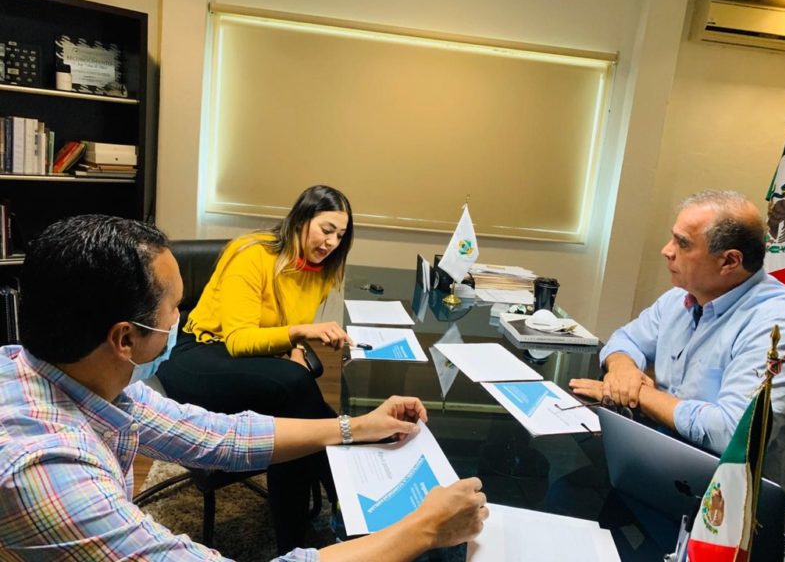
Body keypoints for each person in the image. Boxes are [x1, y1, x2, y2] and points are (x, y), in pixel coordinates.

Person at [0, 214, 488, 561]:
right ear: (125, 339)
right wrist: (425, 528)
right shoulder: (46, 472)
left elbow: (216, 435)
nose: (181, 318)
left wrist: (356, 426)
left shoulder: (81, 376)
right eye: (175, 308)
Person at [157, 185, 354, 550]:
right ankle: (344, 504)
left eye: (340, 235)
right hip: (197, 351)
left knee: (295, 411)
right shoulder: (251, 254)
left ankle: (299, 540)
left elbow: (287, 327)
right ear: (301, 219)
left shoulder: (320, 270)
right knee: (300, 397)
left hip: (244, 361)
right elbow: (239, 340)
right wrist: (301, 335)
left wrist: (296, 349)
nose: (332, 242)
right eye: (327, 229)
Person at [569, 190, 785, 498]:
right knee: (565, 491)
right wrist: (623, 368)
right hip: (668, 463)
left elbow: (733, 433)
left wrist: (639, 394)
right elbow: (626, 339)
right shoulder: (681, 297)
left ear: (729, 261)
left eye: (683, 243)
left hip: (739, 500)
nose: (667, 251)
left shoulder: (779, 324)